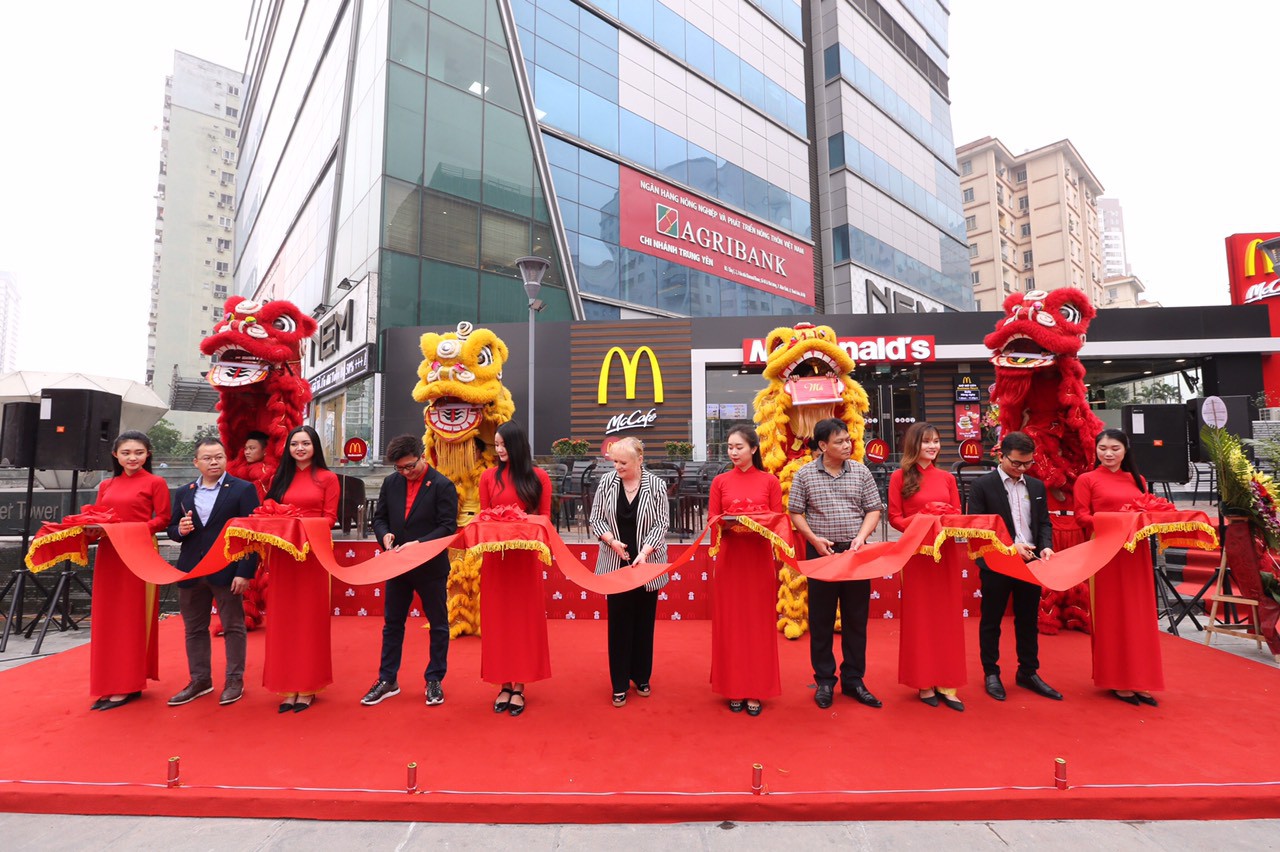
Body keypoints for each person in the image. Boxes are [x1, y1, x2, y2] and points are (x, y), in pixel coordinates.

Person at [788, 417, 884, 710]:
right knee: (821, 620)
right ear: (822, 445)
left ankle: (854, 680)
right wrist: (814, 540)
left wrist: (861, 537)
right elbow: (795, 512)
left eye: (848, 439)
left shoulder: (860, 472)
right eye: (840, 441)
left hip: (855, 553)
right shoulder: (804, 475)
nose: (847, 445)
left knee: (856, 620)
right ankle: (825, 681)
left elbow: (873, 509)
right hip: (822, 554)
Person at [361, 435, 458, 708]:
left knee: (438, 624)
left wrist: (420, 543)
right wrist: (385, 536)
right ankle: (387, 679)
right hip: (398, 562)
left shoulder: (442, 485)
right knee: (393, 624)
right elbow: (379, 518)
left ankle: (434, 679)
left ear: (422, 456)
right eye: (400, 468)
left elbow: (447, 526)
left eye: (410, 466)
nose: (405, 472)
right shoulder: (392, 483)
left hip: (430, 565)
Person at [166, 438, 261, 707]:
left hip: (228, 569)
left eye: (218, 456)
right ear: (196, 462)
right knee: (194, 628)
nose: (214, 462)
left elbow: (252, 533)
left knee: (233, 626)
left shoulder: (243, 489)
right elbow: (173, 529)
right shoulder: (185, 492)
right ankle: (200, 680)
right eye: (207, 458)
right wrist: (180, 531)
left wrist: (245, 572)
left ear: (225, 459)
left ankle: (234, 680)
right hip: (191, 570)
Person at [967, 431, 1061, 702]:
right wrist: (1010, 547)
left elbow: (1043, 522)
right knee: (992, 619)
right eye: (1016, 463)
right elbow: (978, 526)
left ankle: (1028, 671)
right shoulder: (982, 486)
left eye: (1027, 464)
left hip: (1032, 561)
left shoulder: (1035, 486)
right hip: (997, 561)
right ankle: (991, 672)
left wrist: (1045, 545)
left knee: (1028, 620)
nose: (1021, 469)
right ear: (1000, 455)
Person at [1074, 428, 1162, 706]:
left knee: (1139, 616)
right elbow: (1081, 517)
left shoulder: (1138, 480)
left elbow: (1147, 513)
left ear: (1126, 450)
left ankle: (1140, 678)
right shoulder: (1086, 479)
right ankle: (1116, 680)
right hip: (1104, 553)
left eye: (1115, 448)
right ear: (1095, 450)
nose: (1108, 454)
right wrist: (1114, 521)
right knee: (1111, 615)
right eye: (1103, 449)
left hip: (1135, 553)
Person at [86, 431, 171, 710]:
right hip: (110, 554)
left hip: (140, 552)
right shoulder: (106, 484)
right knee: (107, 619)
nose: (132, 458)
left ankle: (128, 684)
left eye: (138, 452)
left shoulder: (155, 482)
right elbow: (100, 518)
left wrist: (134, 530)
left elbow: (163, 519)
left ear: (148, 454)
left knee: (132, 617)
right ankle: (109, 683)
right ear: (116, 455)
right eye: (126, 453)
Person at [888, 422, 967, 711]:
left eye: (935, 441)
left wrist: (942, 518)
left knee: (946, 615)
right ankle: (923, 681)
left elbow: (958, 514)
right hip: (917, 553)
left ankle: (948, 681)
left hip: (944, 553)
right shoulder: (900, 477)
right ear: (914, 445)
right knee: (920, 615)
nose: (932, 447)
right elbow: (895, 518)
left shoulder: (947, 478)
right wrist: (923, 519)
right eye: (926, 442)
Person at [262, 424, 339, 712]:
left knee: (309, 619)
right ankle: (286, 685)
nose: (300, 449)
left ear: (315, 447)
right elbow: (267, 512)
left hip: (312, 555)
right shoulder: (279, 479)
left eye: (305, 443)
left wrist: (298, 526)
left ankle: (308, 686)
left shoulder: (328, 478)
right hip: (282, 555)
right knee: (282, 620)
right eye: (295, 444)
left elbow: (330, 519)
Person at [588, 437, 669, 708]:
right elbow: (595, 518)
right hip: (615, 563)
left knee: (644, 623)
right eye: (615, 462)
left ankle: (642, 676)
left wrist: (644, 553)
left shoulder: (656, 485)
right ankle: (620, 683)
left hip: (648, 564)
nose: (618, 467)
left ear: (639, 461)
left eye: (624, 462)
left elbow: (661, 524)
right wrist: (611, 541)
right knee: (619, 625)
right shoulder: (607, 483)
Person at [478, 420, 553, 717]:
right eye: (496, 445)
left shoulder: (538, 478)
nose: (499, 450)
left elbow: (545, 519)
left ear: (517, 444)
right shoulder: (487, 477)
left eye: (503, 445)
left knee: (523, 622)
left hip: (525, 559)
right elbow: (484, 516)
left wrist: (519, 523)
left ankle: (519, 686)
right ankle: (503, 684)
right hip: (496, 560)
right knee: (498, 621)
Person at [707, 424, 783, 716]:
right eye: (729, 447)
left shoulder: (770, 482)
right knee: (731, 624)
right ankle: (733, 687)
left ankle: (757, 689)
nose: (733, 452)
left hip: (758, 559)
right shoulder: (720, 482)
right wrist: (728, 522)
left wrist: (755, 521)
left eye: (739, 447)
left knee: (757, 624)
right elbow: (713, 518)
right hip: (731, 558)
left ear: (753, 449)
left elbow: (778, 521)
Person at [242, 430, 271, 498]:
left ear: (265, 450)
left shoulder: (267, 472)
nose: (247, 452)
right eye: (246, 448)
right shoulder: (240, 467)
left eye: (252, 448)